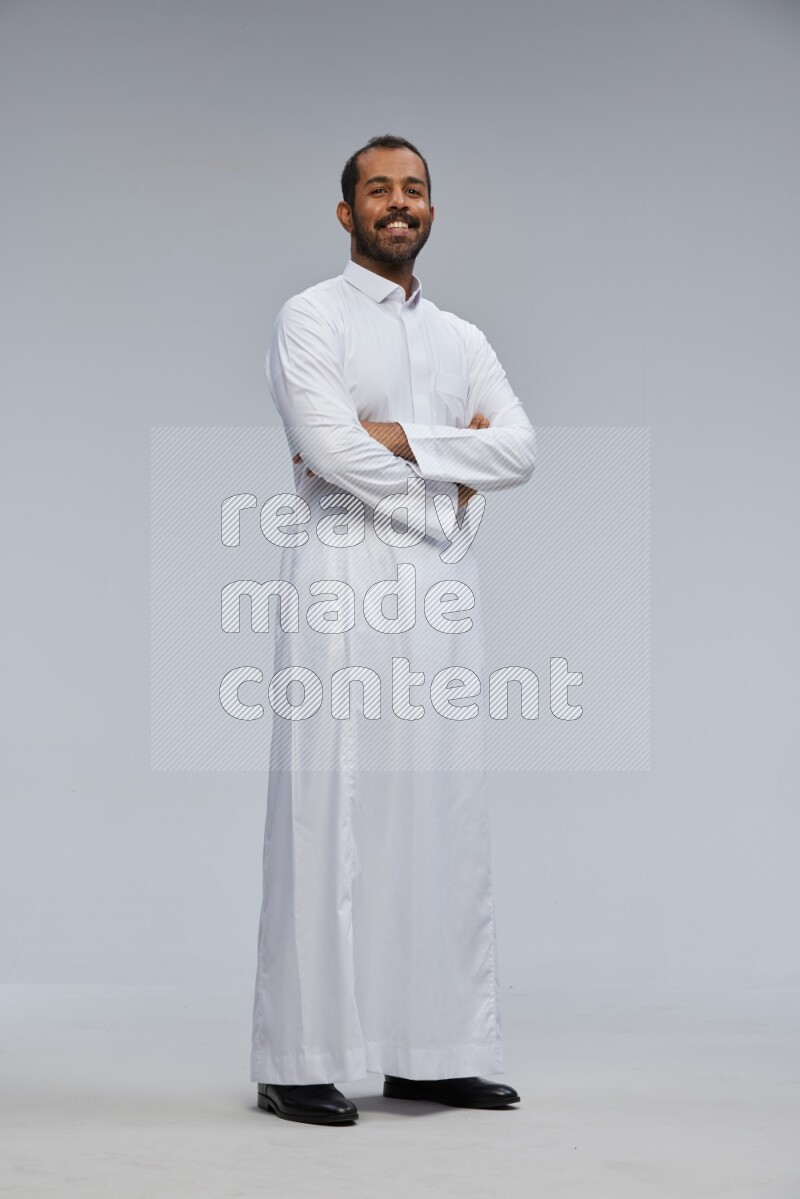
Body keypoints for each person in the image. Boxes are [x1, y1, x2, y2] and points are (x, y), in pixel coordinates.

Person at [251, 134, 536, 1125]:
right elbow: (327, 446)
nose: (397, 203)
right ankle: (296, 1055)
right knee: (327, 805)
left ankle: (433, 1048)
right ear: (346, 212)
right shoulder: (311, 317)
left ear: (429, 208)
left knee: (439, 808)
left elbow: (521, 447)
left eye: (412, 189)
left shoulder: (460, 337)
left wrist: (400, 437)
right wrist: (441, 484)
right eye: (377, 189)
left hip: (442, 592)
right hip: (341, 570)